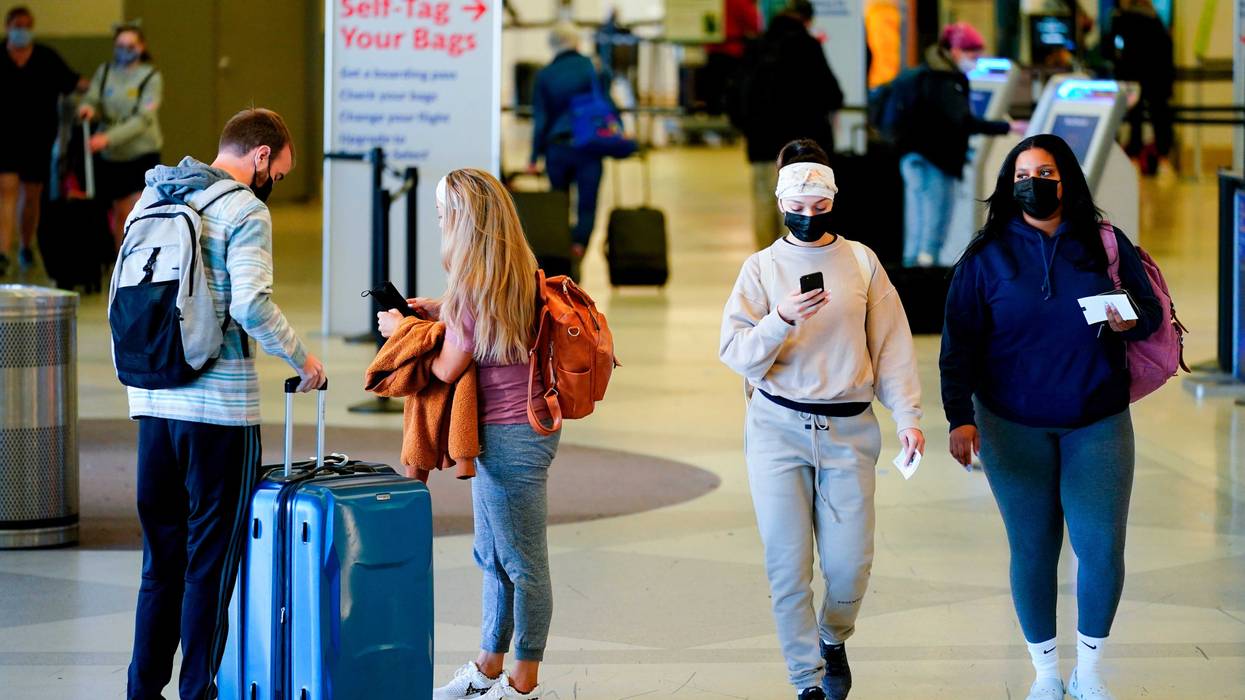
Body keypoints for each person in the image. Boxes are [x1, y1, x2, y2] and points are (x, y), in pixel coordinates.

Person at [939, 134, 1163, 700]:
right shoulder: (985, 257)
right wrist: (959, 417)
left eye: (1044, 174)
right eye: (1021, 176)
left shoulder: (1105, 243)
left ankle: (1090, 670)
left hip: (1097, 418)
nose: (1032, 184)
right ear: (1007, 186)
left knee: (1101, 546)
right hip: (1010, 423)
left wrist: (1127, 320)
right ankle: (1045, 674)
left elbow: (1149, 312)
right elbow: (958, 344)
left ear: (1067, 181)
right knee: (1033, 548)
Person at [124, 108, 326, 700]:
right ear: (261, 156)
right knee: (209, 565)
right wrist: (303, 360)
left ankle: (141, 691)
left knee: (160, 564)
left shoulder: (152, 198)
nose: (274, 184)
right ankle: (198, 693)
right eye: (278, 173)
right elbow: (250, 304)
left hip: (152, 401)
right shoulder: (244, 209)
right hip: (218, 414)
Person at [719, 139, 924, 700]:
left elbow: (892, 345)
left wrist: (907, 416)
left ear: (834, 201)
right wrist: (780, 318)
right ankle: (805, 680)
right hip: (777, 429)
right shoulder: (761, 269)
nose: (808, 217)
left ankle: (833, 637)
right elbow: (735, 353)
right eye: (798, 207)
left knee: (850, 565)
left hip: (849, 429)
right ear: (781, 202)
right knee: (787, 568)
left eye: (820, 207)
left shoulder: (861, 262)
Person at [378, 168, 558, 700]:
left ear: (462, 220)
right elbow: (477, 328)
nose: (439, 223)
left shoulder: (475, 285)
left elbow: (444, 368)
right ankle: (488, 665)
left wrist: (403, 332)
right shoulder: (511, 269)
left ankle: (523, 682)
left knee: (522, 562)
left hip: (508, 435)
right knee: (494, 554)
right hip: (519, 430)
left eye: (442, 215)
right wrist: (442, 310)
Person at [893, 22, 1018, 267]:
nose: (976, 61)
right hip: (936, 159)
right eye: (973, 54)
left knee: (917, 221)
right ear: (956, 51)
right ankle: (925, 273)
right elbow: (962, 121)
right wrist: (1006, 127)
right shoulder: (945, 80)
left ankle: (912, 269)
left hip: (912, 156)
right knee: (935, 222)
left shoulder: (925, 73)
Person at [733, 0, 843, 250]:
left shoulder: (757, 46)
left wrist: (749, 129)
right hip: (799, 150)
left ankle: (765, 261)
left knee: (764, 202)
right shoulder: (807, 46)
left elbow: (735, 96)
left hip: (761, 145)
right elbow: (832, 94)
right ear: (806, 20)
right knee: (798, 206)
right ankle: (794, 261)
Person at [0, 5, 81, 273]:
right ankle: (3, 251)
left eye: (27, 26)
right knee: (6, 190)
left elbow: (73, 82)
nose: (22, 31)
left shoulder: (46, 58)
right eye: (17, 26)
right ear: (7, 27)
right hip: (5, 137)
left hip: (38, 137)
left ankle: (26, 244)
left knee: (31, 196)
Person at [528, 23, 609, 264]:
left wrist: (533, 157)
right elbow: (606, 104)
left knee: (559, 202)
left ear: (552, 45)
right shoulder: (594, 68)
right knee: (587, 205)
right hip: (590, 146)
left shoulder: (545, 75)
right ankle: (579, 247)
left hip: (558, 148)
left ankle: (560, 253)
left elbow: (541, 120)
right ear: (577, 41)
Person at [79, 21, 162, 250]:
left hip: (141, 153)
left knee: (141, 213)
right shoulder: (105, 72)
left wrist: (108, 138)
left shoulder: (150, 77)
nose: (125, 51)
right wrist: (87, 108)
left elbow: (143, 118)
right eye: (120, 46)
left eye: (131, 46)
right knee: (120, 214)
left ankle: (143, 259)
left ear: (141, 47)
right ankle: (122, 261)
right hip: (113, 157)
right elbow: (92, 98)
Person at [1107, 0, 1175, 178]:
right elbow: (1166, 50)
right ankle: (1162, 158)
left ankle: (1134, 157)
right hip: (1156, 77)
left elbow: (1114, 49)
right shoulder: (1154, 18)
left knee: (1134, 118)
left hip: (1132, 76)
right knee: (1159, 116)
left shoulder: (1122, 18)